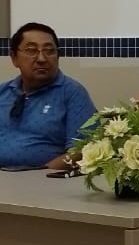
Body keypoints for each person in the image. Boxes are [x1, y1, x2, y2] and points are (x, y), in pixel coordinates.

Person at [0, 23, 95, 169]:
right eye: (31, 50)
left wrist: (43, 173)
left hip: (44, 178)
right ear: (14, 58)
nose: (41, 58)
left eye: (49, 51)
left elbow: (80, 151)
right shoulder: (3, 92)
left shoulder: (72, 93)